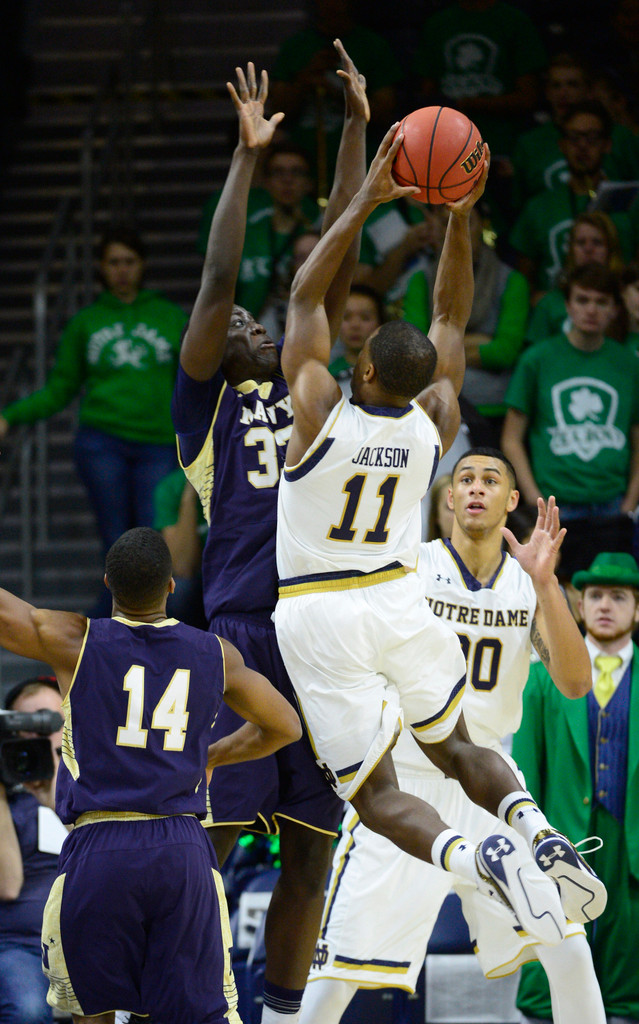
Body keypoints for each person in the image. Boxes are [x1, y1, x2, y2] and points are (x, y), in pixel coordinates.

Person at [273, 126, 605, 953]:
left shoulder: (317, 407)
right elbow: (451, 310)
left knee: (375, 794)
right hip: (396, 598)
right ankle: (531, 829)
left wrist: (366, 200)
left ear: (362, 369)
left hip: (322, 613)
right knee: (456, 745)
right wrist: (462, 212)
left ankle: (477, 852)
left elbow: (307, 301)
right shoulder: (435, 423)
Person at [172, 49, 369, 1024]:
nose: (247, 316)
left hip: (322, 638)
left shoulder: (306, 381)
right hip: (244, 637)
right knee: (207, 844)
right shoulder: (205, 410)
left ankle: (286, 1014)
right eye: (237, 318)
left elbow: (330, 255)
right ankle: (193, 1003)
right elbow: (216, 278)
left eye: (259, 313)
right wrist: (248, 157)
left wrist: (359, 133)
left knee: (310, 853)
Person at [299, 449, 605, 1024]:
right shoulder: (409, 567)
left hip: (492, 792)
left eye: (491, 481)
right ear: (447, 498)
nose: (476, 489)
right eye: (465, 479)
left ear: (512, 501)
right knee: (336, 975)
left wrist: (546, 586)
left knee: (569, 948)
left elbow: (573, 682)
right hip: (405, 788)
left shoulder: (529, 582)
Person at [0, 526, 301, 1024]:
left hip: (99, 847)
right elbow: (284, 725)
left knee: (91, 1012)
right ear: (170, 587)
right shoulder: (215, 653)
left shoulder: (74, 638)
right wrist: (210, 756)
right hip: (179, 848)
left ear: (107, 584)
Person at [0, 226, 186, 614]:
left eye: (129, 262)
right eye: (114, 262)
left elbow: (191, 385)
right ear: (102, 268)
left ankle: (114, 631)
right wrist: (10, 416)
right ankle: (111, 635)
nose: (121, 270)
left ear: (142, 265)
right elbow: (60, 389)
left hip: (158, 444)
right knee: (116, 545)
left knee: (154, 544)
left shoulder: (170, 317)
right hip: (102, 442)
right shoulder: (86, 322)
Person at [512, 550, 639, 1024]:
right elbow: (523, 770)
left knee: (628, 993)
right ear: (579, 607)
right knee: (549, 988)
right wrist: (527, 851)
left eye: (619, 596)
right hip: (560, 851)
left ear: (636, 609)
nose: (605, 605)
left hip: (632, 856)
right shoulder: (543, 680)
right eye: (595, 595)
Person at [501, 262, 639, 581]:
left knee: (609, 604)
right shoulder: (536, 359)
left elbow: (637, 437)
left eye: (601, 301)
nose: (591, 309)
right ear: (567, 305)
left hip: (613, 505)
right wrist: (537, 501)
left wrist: (630, 502)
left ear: (615, 309)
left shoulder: (628, 364)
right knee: (555, 604)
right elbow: (511, 437)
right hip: (556, 507)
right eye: (582, 299)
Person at [402, 202, 530, 448]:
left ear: (482, 225)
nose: (455, 232)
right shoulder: (420, 280)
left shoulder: (512, 281)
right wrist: (481, 341)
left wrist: (439, 348)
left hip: (493, 410)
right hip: (433, 409)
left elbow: (505, 352)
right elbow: (415, 353)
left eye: (465, 223)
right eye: (445, 224)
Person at [268, 0, 401, 195]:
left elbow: (384, 112)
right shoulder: (296, 47)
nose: (332, 5)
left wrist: (336, 92)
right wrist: (306, 78)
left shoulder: (372, 45)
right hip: (303, 167)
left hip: (359, 162)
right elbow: (278, 111)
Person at [509, 100, 637, 299]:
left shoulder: (630, 204)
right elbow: (523, 282)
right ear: (562, 145)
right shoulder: (538, 207)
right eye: (574, 138)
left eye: (592, 137)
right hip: (555, 317)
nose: (583, 146)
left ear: (607, 144)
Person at [0, 676, 67, 1024]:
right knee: (27, 1011)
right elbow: (7, 885)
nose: (41, 735)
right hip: (20, 945)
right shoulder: (7, 801)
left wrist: (57, 786)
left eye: (50, 721)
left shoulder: (98, 786)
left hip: (90, 942)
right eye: (28, 724)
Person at [196, 141, 321, 325]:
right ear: (266, 182)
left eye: (296, 172)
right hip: (248, 333)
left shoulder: (321, 233)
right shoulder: (245, 232)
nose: (287, 180)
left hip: (305, 330)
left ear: (309, 183)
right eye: (278, 172)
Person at [511, 52, 639, 212]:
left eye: (572, 84)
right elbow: (520, 206)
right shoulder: (529, 143)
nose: (563, 93)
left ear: (589, 91)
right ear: (547, 93)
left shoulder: (620, 137)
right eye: (556, 86)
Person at [526, 211, 624, 345]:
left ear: (610, 250)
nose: (588, 249)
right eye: (581, 242)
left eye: (597, 242)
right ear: (571, 250)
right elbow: (535, 359)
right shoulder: (549, 304)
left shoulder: (626, 299)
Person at [152, 467, 208, 629]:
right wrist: (189, 497)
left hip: (235, 575)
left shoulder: (238, 479)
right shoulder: (172, 486)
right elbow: (183, 568)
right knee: (179, 591)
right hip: (200, 579)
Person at [329, 283, 384, 399]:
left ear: (381, 323)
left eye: (365, 318)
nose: (355, 325)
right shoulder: (327, 376)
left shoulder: (392, 374)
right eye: (346, 317)